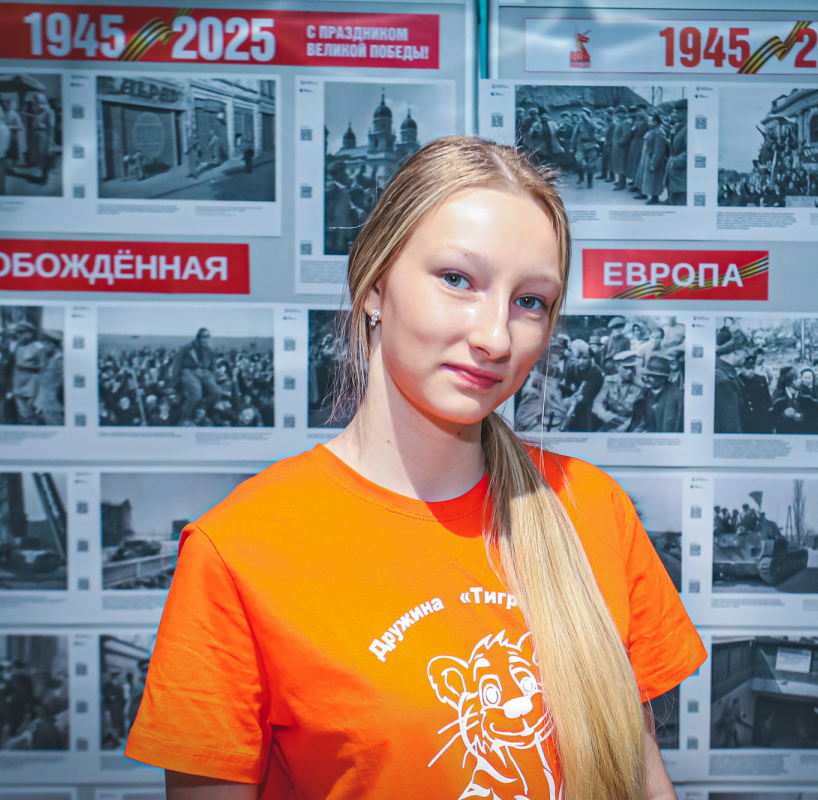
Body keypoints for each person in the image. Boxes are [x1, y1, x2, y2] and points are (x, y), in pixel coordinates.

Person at [124, 137, 706, 799]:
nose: (494, 337)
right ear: (375, 285)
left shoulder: (592, 508)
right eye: (457, 280)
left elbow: (643, 775)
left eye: (530, 301)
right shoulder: (238, 550)